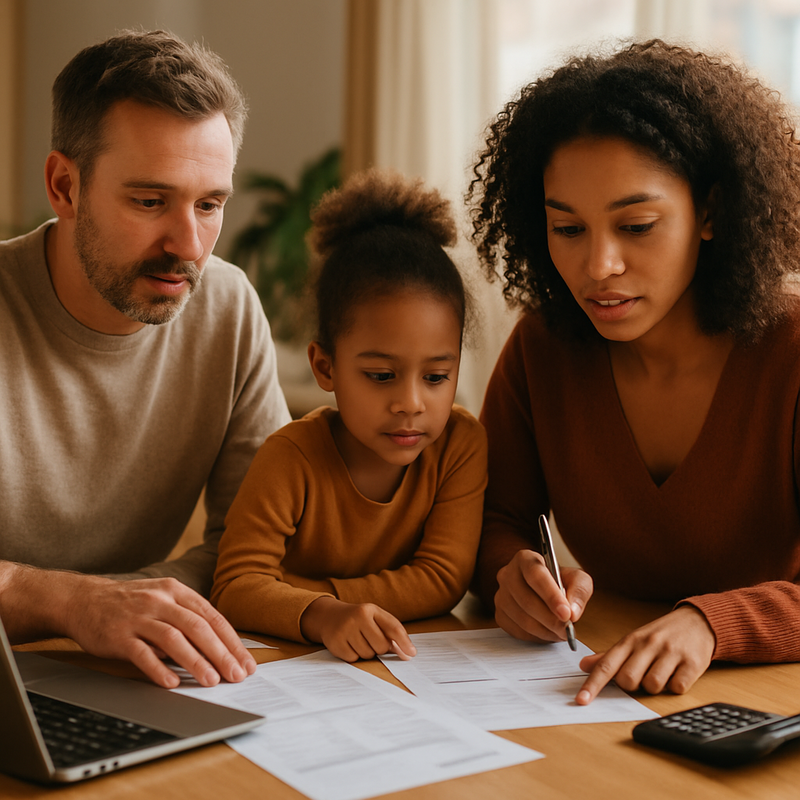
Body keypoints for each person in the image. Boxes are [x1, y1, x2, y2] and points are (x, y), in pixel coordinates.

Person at [467, 39, 800, 704]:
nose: (598, 267)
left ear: (709, 212)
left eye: (638, 226)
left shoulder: (790, 353)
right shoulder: (545, 347)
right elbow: (493, 518)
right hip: (599, 686)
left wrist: (712, 623)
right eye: (568, 230)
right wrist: (515, 576)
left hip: (767, 701)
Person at [0, 31, 291, 688]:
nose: (188, 245)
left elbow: (261, 543)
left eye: (210, 204)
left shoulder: (228, 307)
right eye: (150, 201)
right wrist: (74, 605)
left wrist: (137, 606)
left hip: (126, 673)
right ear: (64, 186)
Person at [212, 170, 487, 662]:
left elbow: (444, 578)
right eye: (381, 375)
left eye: (437, 377)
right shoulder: (289, 458)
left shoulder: (460, 445)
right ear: (326, 366)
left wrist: (302, 593)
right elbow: (234, 587)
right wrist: (323, 614)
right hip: (295, 662)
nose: (411, 403)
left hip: (408, 661)